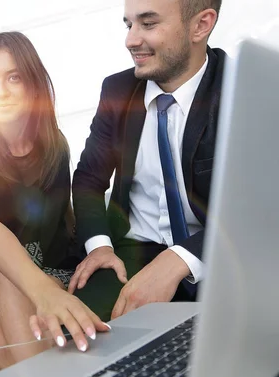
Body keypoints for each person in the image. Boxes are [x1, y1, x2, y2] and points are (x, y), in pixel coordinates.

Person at [0, 31, 109, 372]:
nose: (1, 92)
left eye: (14, 77)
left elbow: (60, 224)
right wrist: (43, 291)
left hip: (55, 268)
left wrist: (53, 284)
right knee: (3, 262)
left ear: (33, 82)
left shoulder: (55, 147)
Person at [69, 0, 226, 321]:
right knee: (80, 332)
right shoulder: (116, 90)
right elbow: (88, 179)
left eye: (148, 24)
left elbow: (265, 204)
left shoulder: (246, 89)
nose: (130, 40)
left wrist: (180, 258)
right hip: (133, 250)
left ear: (201, 25)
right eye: (129, 25)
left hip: (219, 250)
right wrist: (100, 247)